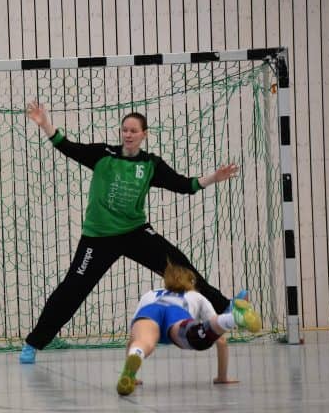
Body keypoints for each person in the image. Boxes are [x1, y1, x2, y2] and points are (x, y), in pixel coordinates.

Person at [19, 101, 241, 364]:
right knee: (71, 290)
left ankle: (227, 307)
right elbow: (67, 146)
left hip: (135, 233)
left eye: (134, 131)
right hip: (98, 238)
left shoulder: (150, 164)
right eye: (125, 130)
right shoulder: (103, 154)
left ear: (144, 134)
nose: (128, 134)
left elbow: (184, 185)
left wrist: (213, 177)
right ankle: (33, 343)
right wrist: (45, 123)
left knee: (180, 268)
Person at [116, 261, 261, 395]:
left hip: (150, 311)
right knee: (196, 336)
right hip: (177, 313)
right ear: (191, 281)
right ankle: (233, 318)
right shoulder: (195, 296)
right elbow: (221, 341)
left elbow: (132, 337)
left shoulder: (150, 294)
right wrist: (222, 377)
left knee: (143, 342)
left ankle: (135, 360)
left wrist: (133, 371)